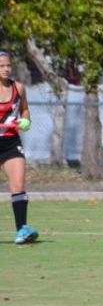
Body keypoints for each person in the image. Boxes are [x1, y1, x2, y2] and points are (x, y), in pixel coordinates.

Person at [0, 50, 38, 244]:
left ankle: (22, 229)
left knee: (18, 185)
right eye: (1, 66)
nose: (6, 69)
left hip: (10, 143)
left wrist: (26, 120)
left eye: (8, 65)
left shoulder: (19, 88)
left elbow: (24, 109)